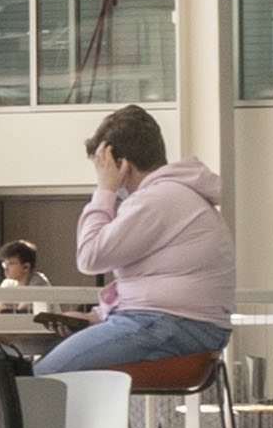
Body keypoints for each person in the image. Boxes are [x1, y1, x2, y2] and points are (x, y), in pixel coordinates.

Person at [48, 106, 228, 377]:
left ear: (122, 166)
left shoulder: (157, 199)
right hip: (183, 324)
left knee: (45, 378)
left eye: (103, 168)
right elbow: (149, 276)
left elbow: (89, 257)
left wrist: (104, 190)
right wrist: (98, 316)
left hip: (170, 324)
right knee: (76, 383)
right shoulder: (178, 195)